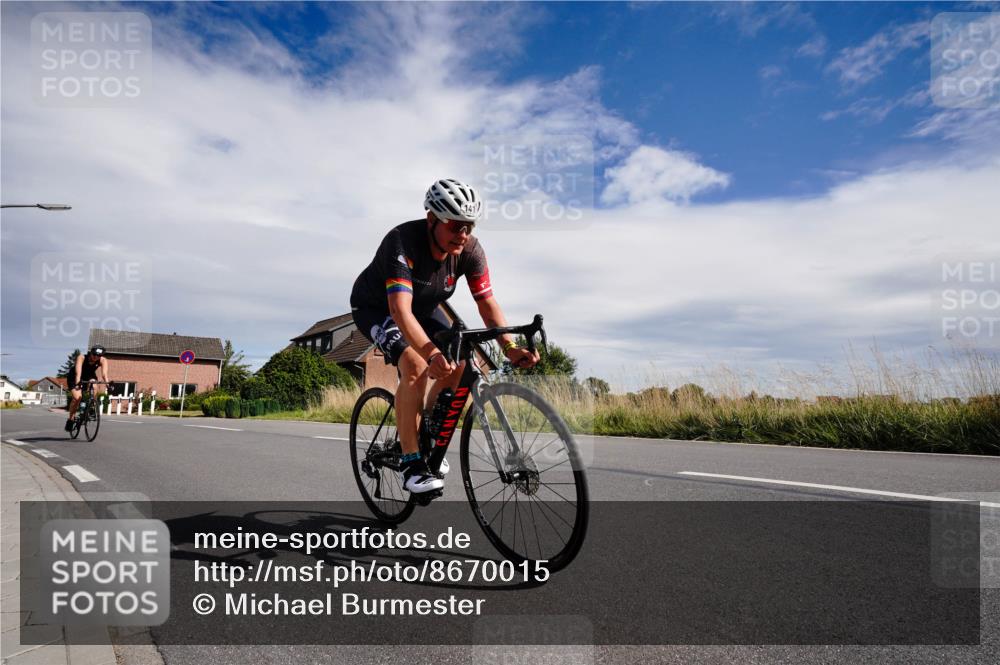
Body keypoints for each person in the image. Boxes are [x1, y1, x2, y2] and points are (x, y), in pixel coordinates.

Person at [351, 179, 540, 493]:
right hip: (377, 308)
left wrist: (509, 346)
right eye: (454, 225)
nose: (463, 234)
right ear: (431, 219)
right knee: (415, 365)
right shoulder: (403, 241)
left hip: (424, 308)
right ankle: (411, 464)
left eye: (469, 226)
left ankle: (427, 431)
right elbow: (399, 310)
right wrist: (430, 353)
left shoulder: (471, 250)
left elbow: (486, 302)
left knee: (462, 359)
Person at [65, 345, 111, 431]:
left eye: (98, 356)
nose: (96, 357)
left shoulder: (103, 360)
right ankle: (70, 419)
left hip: (89, 376)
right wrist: (78, 383)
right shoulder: (81, 357)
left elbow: (104, 374)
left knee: (94, 385)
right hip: (75, 377)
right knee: (77, 398)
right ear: (90, 353)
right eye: (94, 355)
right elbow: (78, 373)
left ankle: (92, 406)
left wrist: (108, 384)